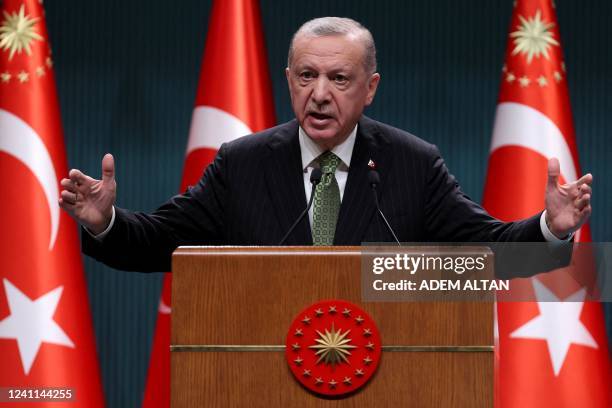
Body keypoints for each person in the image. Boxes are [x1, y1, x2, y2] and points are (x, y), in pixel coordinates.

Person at [58, 17, 592, 272]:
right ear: (288, 79)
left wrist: (550, 229)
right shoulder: (242, 164)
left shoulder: (411, 164)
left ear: (369, 89)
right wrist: (104, 221)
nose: (319, 95)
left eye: (338, 79)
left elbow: (486, 254)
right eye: (307, 76)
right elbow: (160, 242)